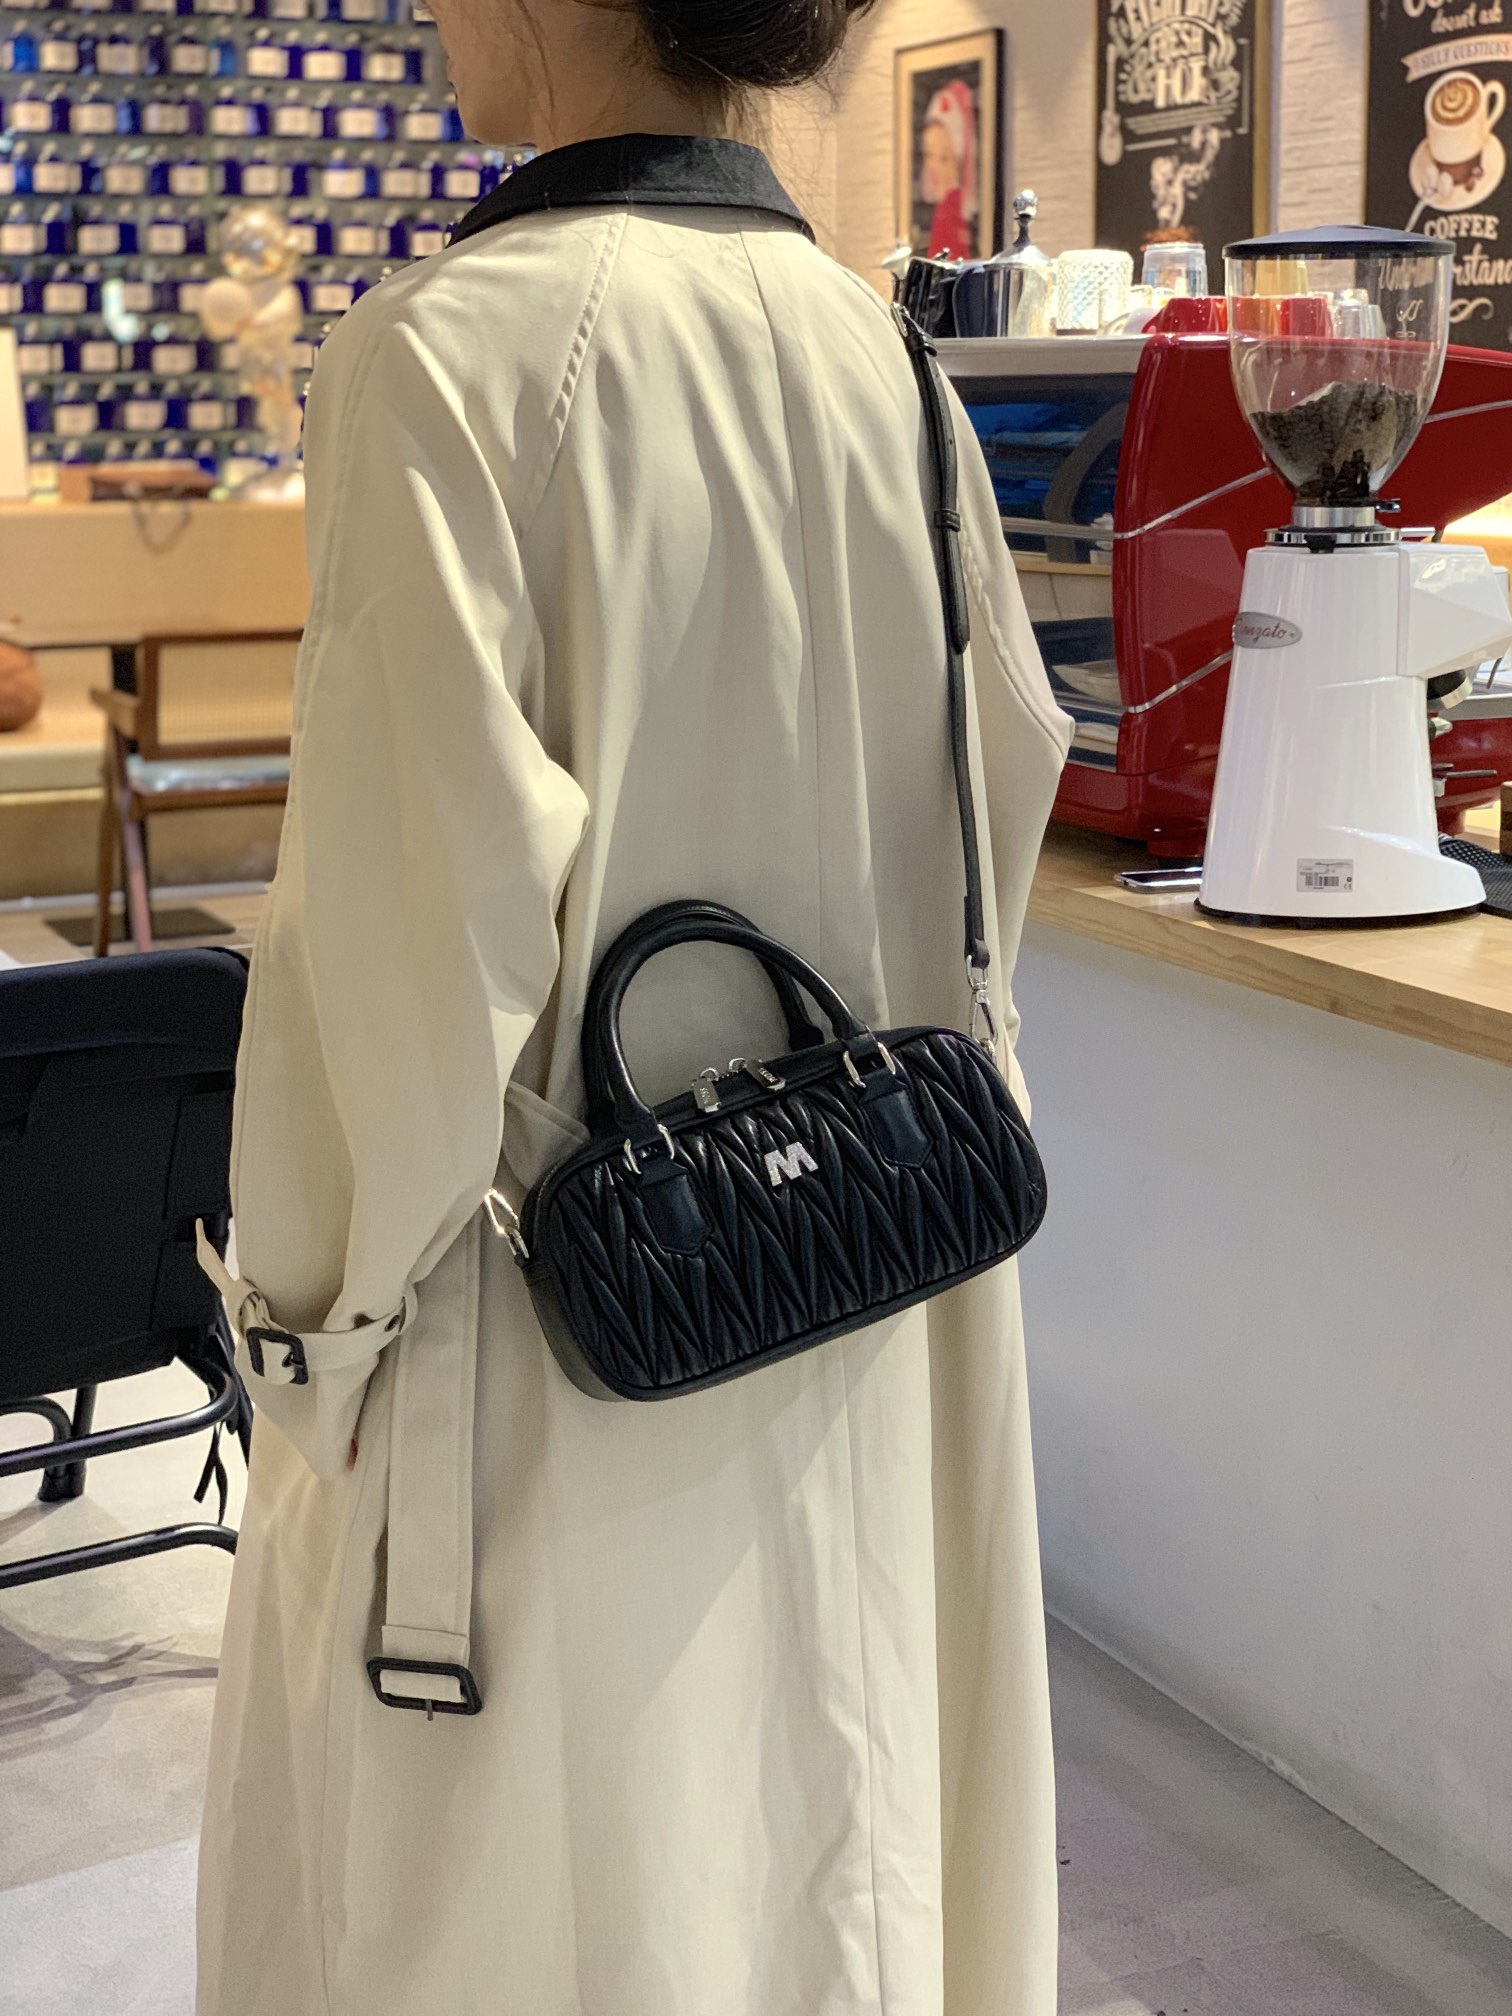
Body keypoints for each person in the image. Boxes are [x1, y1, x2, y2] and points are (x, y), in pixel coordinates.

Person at [195, 2, 1072, 2012]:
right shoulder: (885, 357)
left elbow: (398, 964)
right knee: (832, 1855)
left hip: (554, 1330)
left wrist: (305, 1343)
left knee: (560, 1906)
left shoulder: (447, 352)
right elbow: (999, 792)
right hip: (865, 1274)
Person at [922, 76, 979, 259]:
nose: (935, 167)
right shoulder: (941, 210)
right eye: (929, 156)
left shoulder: (953, 211)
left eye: (944, 158)